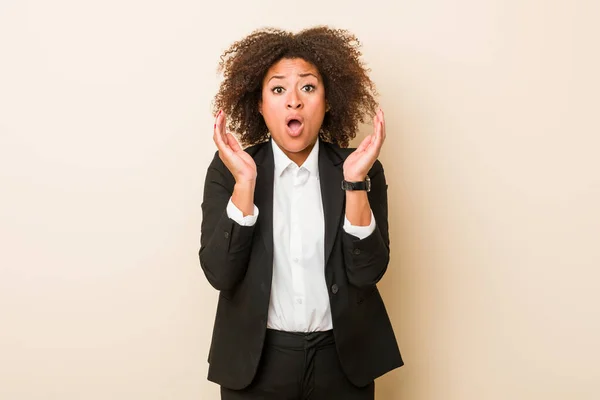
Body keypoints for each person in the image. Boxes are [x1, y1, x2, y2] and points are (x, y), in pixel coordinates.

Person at [199, 26, 403, 400]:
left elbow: (368, 272)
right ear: (259, 104)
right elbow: (220, 273)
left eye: (308, 87)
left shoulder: (360, 168)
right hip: (256, 365)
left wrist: (355, 184)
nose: (293, 101)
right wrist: (244, 183)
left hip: (341, 365)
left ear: (328, 101)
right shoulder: (229, 169)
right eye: (278, 89)